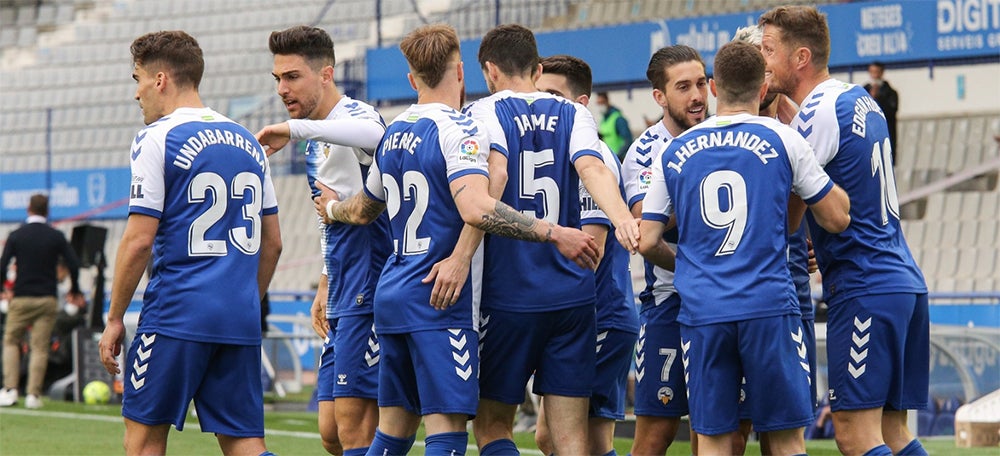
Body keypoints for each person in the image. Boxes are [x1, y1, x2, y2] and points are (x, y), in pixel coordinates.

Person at [313, 23, 601, 456]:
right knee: (447, 432)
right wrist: (553, 231)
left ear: (412, 80)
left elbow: (364, 209)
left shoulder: (394, 132)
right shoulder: (461, 130)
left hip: (392, 294)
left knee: (392, 432)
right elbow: (478, 207)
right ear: (462, 72)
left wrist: (333, 209)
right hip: (439, 298)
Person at [638, 40, 852, 456]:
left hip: (703, 311)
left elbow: (647, 239)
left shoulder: (674, 150)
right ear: (763, 88)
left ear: (715, 87)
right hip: (767, 306)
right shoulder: (785, 140)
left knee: (715, 441)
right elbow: (837, 218)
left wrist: (690, 265)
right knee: (786, 441)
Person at [97, 30, 282, 456]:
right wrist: (243, 301)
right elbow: (273, 244)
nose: (136, 92)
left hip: (177, 313)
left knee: (143, 440)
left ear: (160, 79)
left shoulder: (156, 137)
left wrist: (114, 318)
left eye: (138, 79)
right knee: (244, 442)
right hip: (239, 317)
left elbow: (139, 242)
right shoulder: (249, 143)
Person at [760, 6, 930, 456]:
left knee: (855, 434)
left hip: (863, 285)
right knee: (893, 433)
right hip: (902, 280)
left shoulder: (816, 114)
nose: (762, 61)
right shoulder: (857, 98)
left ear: (800, 57)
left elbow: (790, 216)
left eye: (769, 50)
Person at [465, 24, 639, 456]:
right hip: (572, 297)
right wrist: (622, 218)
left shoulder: (483, 112)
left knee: (492, 426)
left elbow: (490, 182)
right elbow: (592, 168)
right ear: (537, 68)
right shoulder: (575, 114)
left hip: (509, 294)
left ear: (490, 71)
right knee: (569, 438)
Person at [256, 25, 390, 456]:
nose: (282, 88)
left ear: (326, 74)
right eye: (278, 78)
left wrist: (295, 130)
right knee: (331, 432)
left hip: (370, 288)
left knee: (355, 428)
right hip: (342, 287)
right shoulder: (317, 136)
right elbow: (327, 214)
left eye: (292, 76)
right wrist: (326, 280)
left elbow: (378, 138)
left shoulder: (355, 116)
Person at [533, 54, 639, 456]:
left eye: (554, 96)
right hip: (585, 314)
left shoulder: (593, 159)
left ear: (580, 104)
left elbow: (590, 250)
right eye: (539, 95)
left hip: (599, 315)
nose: (544, 106)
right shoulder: (562, 155)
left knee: (569, 440)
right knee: (570, 440)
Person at [731, 24, 820, 455]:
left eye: (766, 61)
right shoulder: (721, 130)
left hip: (791, 286)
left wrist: (811, 238)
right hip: (736, 291)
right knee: (729, 430)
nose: (762, 73)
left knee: (785, 428)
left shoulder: (804, 123)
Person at [619, 44, 706, 456]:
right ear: (660, 96)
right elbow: (642, 224)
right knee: (654, 436)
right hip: (669, 300)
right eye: (683, 87)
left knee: (724, 433)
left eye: (702, 83)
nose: (697, 96)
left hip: (726, 302)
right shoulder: (644, 151)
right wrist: (697, 190)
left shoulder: (725, 134)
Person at [0, 194, 85, 409]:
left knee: (11, 341)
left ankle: (10, 389)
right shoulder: (55, 236)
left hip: (21, 297)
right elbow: (74, 264)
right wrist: (74, 289)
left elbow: (3, 265)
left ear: (28, 208)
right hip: (47, 298)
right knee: (40, 347)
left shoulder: (17, 235)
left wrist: (2, 289)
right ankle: (33, 394)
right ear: (47, 211)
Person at [863, 62, 899, 157]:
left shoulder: (890, 92)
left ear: (882, 73)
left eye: (877, 72)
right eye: (872, 72)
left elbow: (891, 111)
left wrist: (878, 98)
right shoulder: (864, 90)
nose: (874, 75)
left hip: (885, 132)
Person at [596, 91, 634, 161]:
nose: (600, 106)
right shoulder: (604, 120)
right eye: (598, 103)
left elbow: (628, 140)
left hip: (619, 159)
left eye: (602, 103)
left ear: (607, 101)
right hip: (610, 159)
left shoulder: (618, 119)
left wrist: (618, 156)